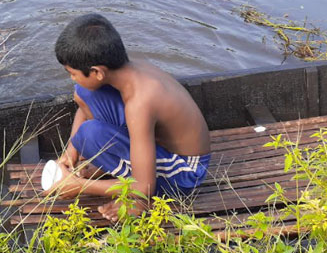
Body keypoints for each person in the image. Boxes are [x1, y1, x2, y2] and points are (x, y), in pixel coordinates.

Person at [47, 13, 210, 221]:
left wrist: (80, 186)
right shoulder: (128, 70)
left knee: (91, 134)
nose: (71, 77)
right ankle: (116, 165)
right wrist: (71, 152)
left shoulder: (140, 102)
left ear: (97, 72)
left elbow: (145, 186)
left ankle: (139, 203)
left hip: (185, 170)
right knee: (84, 91)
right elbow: (83, 102)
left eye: (72, 72)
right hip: (160, 144)